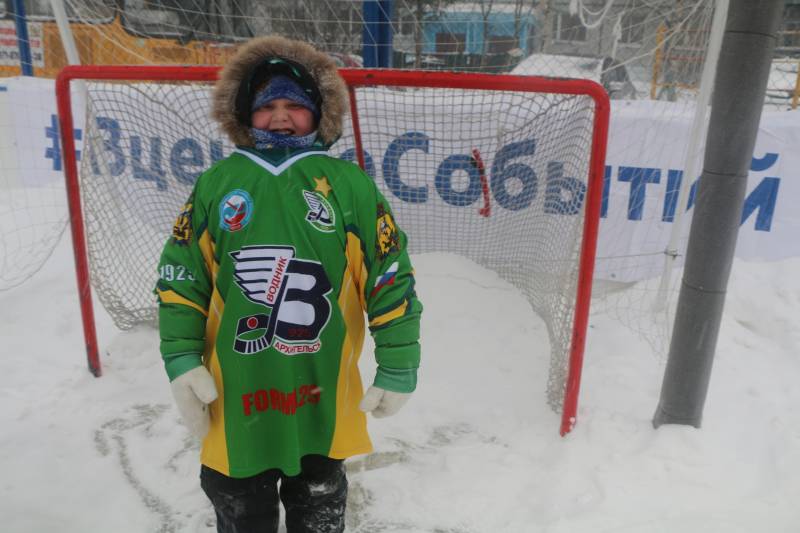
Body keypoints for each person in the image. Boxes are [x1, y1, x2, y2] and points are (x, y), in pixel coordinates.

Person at [155, 35, 422, 533]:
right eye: (267, 106)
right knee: (239, 508)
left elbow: (389, 275)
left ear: (320, 112)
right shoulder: (217, 183)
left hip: (322, 391)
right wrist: (181, 357)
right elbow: (182, 276)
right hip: (235, 391)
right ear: (244, 113)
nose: (280, 116)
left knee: (318, 503)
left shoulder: (349, 185)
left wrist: (400, 362)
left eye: (294, 105)